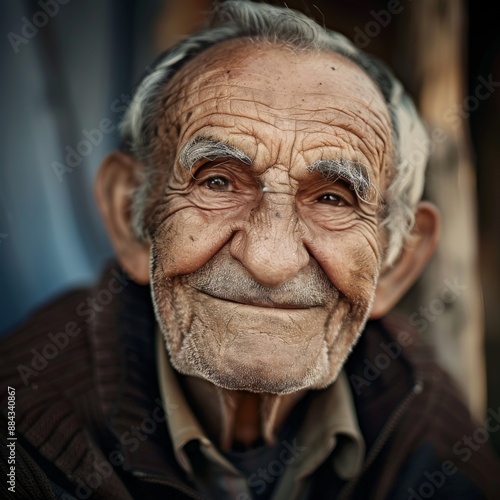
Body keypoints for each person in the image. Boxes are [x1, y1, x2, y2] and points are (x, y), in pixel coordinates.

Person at [1, 1, 499, 498]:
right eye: (217, 182)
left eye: (332, 198)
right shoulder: (24, 426)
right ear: (132, 217)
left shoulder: (423, 422)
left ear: (397, 262)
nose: (269, 261)